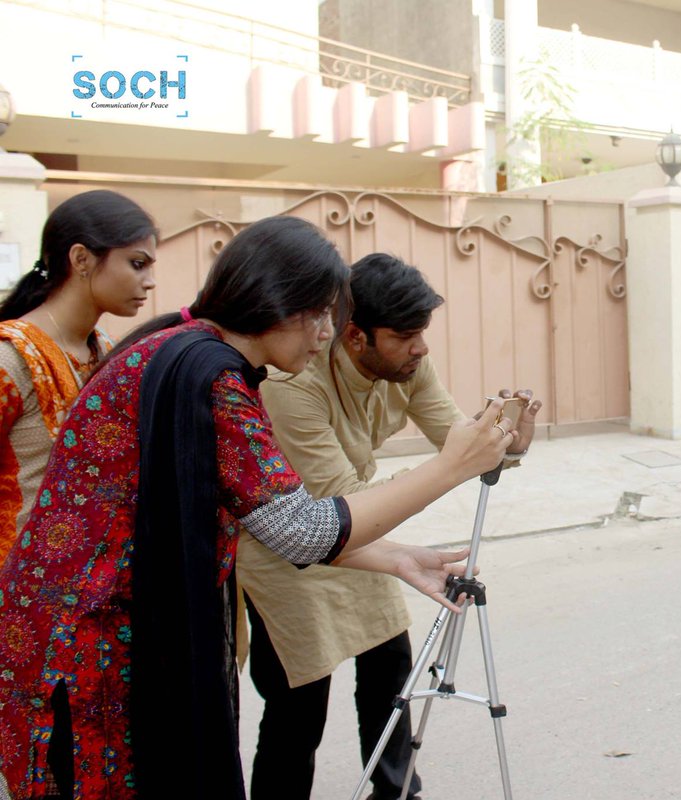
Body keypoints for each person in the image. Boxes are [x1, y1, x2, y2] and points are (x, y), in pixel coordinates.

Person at [0, 216, 516, 800]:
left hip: (88, 620)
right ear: (277, 305)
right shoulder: (214, 378)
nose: (326, 335)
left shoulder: (188, 350)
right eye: (319, 315)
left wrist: (395, 558)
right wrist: (451, 467)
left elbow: (272, 520)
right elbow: (304, 529)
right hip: (82, 638)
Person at [238, 252, 541, 800]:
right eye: (405, 336)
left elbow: (455, 437)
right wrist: (453, 463)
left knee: (391, 670)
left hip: (364, 532)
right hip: (290, 546)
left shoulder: (408, 364)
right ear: (356, 336)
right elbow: (337, 503)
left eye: (421, 333)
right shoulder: (293, 385)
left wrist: (505, 444)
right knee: (299, 704)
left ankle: (397, 791)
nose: (421, 348)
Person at [0, 189, 156, 561]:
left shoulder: (108, 350)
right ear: (81, 259)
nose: (150, 281)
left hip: (93, 576)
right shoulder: (11, 356)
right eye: (137, 263)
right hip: (18, 578)